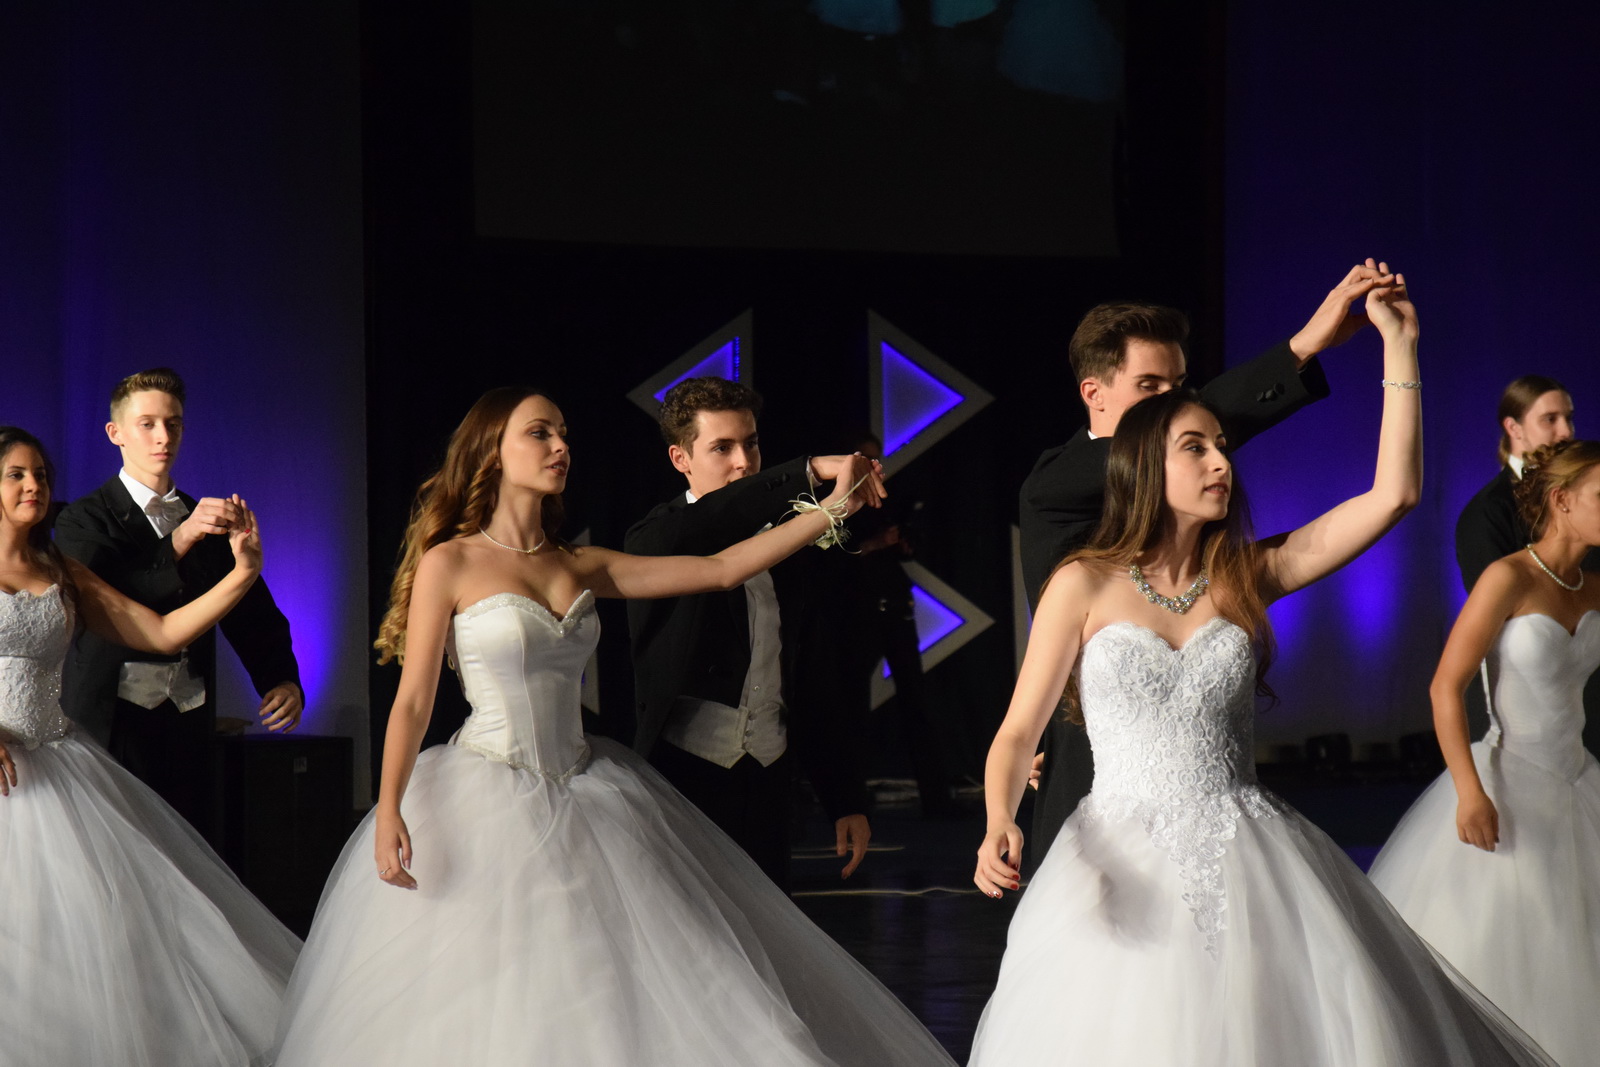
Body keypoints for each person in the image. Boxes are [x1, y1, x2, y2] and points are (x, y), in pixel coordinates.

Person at [272, 387, 959, 1066]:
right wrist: (390, 806)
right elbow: (413, 702)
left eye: (563, 433)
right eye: (540, 433)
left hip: (587, 789)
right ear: (492, 451)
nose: (560, 446)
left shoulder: (581, 563)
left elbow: (721, 569)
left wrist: (831, 511)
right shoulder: (449, 561)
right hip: (485, 792)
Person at [971, 279, 1550, 1064]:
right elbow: (1017, 732)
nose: (1222, 463)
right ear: (1143, 463)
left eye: (1221, 445)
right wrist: (999, 818)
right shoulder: (1082, 581)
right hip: (1112, 857)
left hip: (1247, 858)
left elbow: (1394, 495)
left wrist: (1399, 349)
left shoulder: (1245, 574)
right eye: (1197, 447)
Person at [1019, 261, 1394, 869]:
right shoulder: (1055, 485)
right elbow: (1161, 444)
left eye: (1180, 387)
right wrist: (1301, 348)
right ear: (1094, 394)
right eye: (1150, 387)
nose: (1173, 404)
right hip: (1090, 770)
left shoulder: (1223, 553)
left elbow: (1389, 498)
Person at [0, 426, 301, 1066]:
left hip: (58, 764)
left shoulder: (61, 570)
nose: (34, 486)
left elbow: (162, 632)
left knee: (101, 931)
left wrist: (243, 574)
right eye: (16, 475)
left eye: (41, 474)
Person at [1370, 438, 1600, 1066]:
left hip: (1580, 782)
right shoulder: (1509, 577)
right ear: (1562, 500)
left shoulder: (1593, 587)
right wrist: (1469, 791)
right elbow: (1445, 687)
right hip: (1508, 784)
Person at [626, 377, 872, 890]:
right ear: (680, 459)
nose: (744, 462)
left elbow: (811, 676)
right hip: (683, 776)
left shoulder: (790, 540)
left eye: (752, 443)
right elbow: (715, 524)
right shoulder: (657, 536)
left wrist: (845, 798)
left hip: (768, 778)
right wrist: (807, 471)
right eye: (722, 448)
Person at [56, 367, 302, 843]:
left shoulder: (203, 517)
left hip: (189, 731)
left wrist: (281, 678)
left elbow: (250, 611)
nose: (163, 437)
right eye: (147, 424)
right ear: (115, 433)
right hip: (110, 727)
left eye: (173, 424)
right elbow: (112, 604)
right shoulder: (82, 520)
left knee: (190, 859)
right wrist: (180, 539)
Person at [1454, 376, 1599, 590]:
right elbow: (1493, 598)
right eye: (1550, 419)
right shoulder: (1487, 510)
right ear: (1513, 428)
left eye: (1568, 418)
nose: (1566, 432)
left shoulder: (1585, 497)